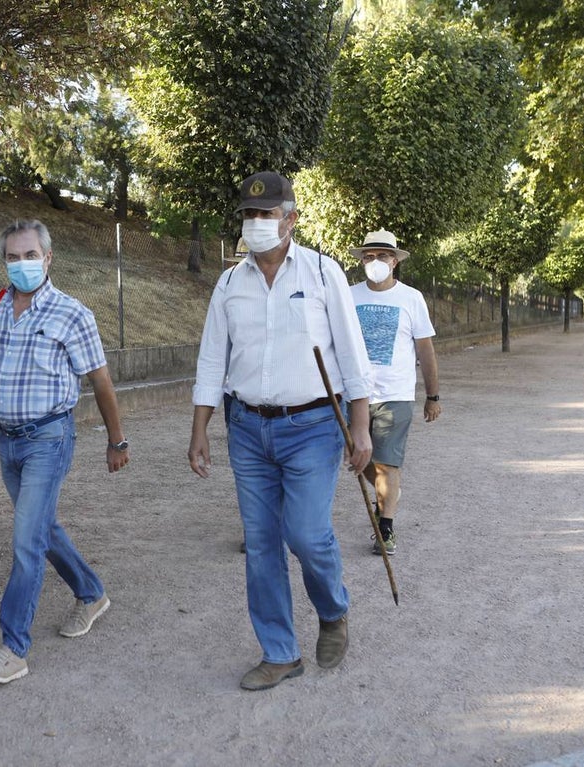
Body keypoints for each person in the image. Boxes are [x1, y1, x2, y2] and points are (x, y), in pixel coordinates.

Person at [187, 172, 374, 691]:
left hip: (313, 426)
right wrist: (200, 429)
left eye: (266, 214)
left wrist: (360, 426)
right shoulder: (229, 283)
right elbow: (211, 360)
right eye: (249, 215)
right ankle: (280, 653)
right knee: (262, 544)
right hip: (247, 429)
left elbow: (352, 353)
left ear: (290, 218)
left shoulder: (323, 273)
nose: (256, 223)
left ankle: (333, 610)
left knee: (307, 535)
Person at [0, 219, 130, 684]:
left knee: (26, 541)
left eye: (30, 256)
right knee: (40, 528)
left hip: (48, 439)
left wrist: (117, 440)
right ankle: (91, 592)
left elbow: (101, 381)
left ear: (48, 258)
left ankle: (13, 647)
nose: (21, 264)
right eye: (13, 257)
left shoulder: (71, 314)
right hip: (8, 440)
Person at [348, 229, 441, 556]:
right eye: (369, 256)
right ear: (362, 261)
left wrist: (432, 396)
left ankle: (385, 527)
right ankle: (388, 493)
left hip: (394, 395)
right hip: (354, 394)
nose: (375, 261)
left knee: (387, 464)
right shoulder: (348, 295)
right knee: (358, 459)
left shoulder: (411, 298)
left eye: (383, 256)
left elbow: (425, 349)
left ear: (394, 262)